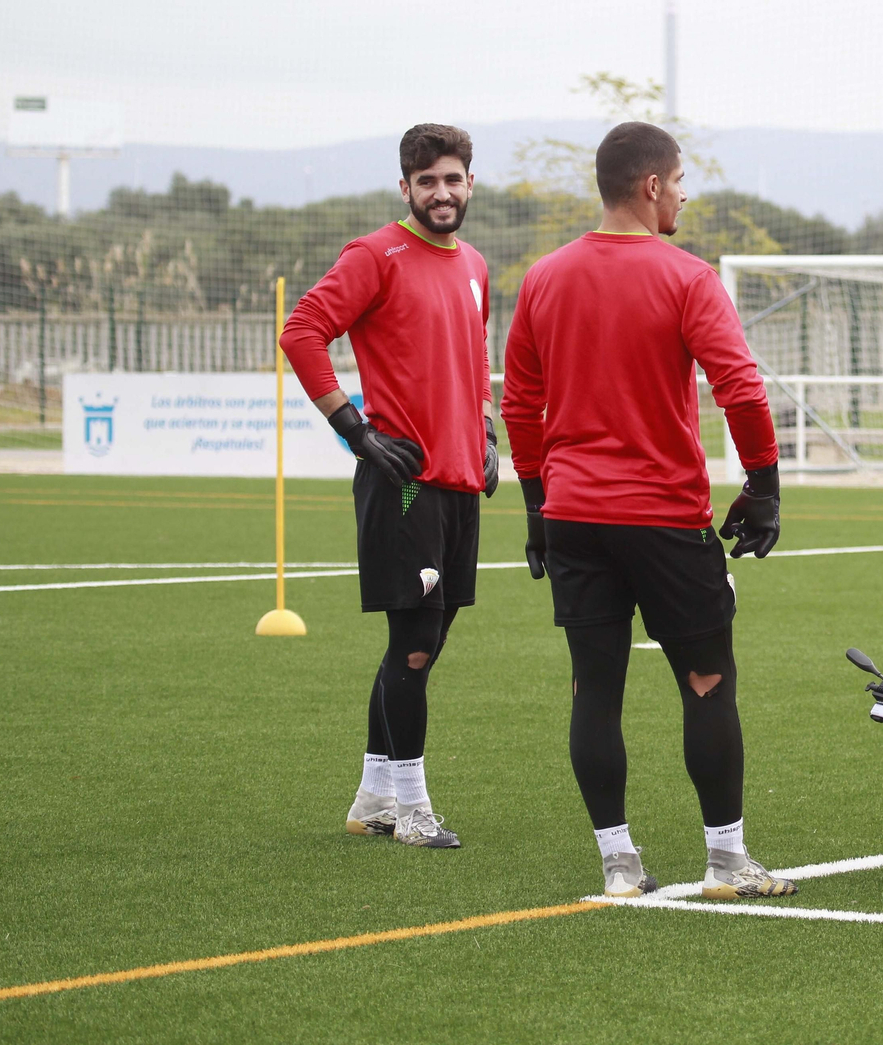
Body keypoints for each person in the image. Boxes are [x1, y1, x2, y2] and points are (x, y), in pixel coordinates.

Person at [501, 121, 797, 900]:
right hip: (663, 518)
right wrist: (764, 486)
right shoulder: (687, 276)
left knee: (593, 687)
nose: (685, 193)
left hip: (573, 517)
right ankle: (728, 863)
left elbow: (520, 405)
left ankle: (619, 863)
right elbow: (740, 386)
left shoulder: (543, 278)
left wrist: (537, 506)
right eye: (680, 180)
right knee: (707, 681)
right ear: (652, 187)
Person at [281, 123, 498, 850]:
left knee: (427, 643)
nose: (442, 192)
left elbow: (473, 358)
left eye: (453, 178)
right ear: (404, 187)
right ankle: (411, 808)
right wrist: (355, 427)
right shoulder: (375, 255)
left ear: (471, 183)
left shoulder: (473, 263)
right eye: (427, 180)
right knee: (412, 645)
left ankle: (373, 795)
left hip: (461, 481)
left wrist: (487, 436)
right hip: (403, 484)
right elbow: (302, 330)